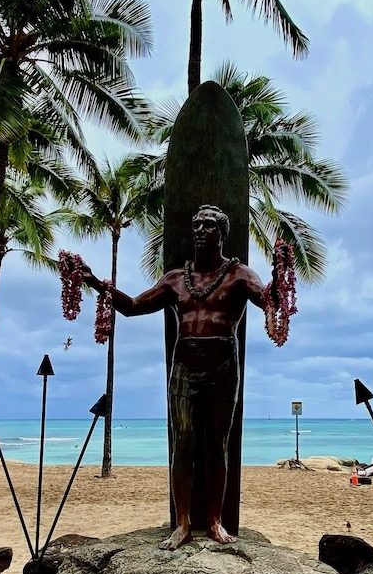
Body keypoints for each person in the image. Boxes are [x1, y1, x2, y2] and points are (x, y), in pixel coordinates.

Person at [83, 205, 268, 550]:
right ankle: (182, 523)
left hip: (222, 367)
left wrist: (283, 275)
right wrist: (95, 282)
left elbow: (267, 300)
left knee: (217, 445)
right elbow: (134, 306)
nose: (199, 229)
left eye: (208, 224)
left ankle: (214, 520)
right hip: (184, 368)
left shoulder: (239, 275)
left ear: (222, 233)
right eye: (196, 223)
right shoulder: (174, 280)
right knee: (182, 443)